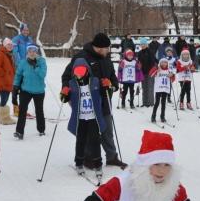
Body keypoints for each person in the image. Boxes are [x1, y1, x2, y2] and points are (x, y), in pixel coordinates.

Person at [62, 32, 127, 169]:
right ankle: (88, 158)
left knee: (107, 130)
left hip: (105, 101)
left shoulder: (106, 58)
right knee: (87, 133)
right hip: (87, 104)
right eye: (107, 48)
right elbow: (67, 76)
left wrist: (112, 85)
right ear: (99, 47)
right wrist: (66, 89)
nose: (108, 50)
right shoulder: (81, 57)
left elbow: (113, 77)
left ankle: (112, 157)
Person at [62, 62, 105, 177]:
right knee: (81, 141)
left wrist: (107, 86)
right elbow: (64, 99)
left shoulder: (95, 81)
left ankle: (98, 164)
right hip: (80, 119)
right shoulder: (72, 84)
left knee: (95, 141)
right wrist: (64, 94)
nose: (79, 74)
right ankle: (79, 163)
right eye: (77, 71)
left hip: (93, 118)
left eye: (82, 71)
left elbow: (105, 93)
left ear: (87, 71)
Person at [13, 44, 47, 139]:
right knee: (22, 111)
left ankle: (41, 130)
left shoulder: (41, 61)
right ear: (27, 52)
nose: (32, 53)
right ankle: (19, 132)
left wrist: (35, 66)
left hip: (39, 91)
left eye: (34, 51)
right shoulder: (23, 62)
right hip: (25, 90)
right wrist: (15, 86)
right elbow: (18, 75)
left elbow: (43, 74)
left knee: (39, 110)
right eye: (30, 51)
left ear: (37, 52)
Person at [11, 23, 34, 115]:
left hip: (28, 67)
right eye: (24, 30)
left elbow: (32, 51)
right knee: (16, 87)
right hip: (18, 67)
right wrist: (20, 64)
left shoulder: (30, 39)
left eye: (27, 30)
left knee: (25, 89)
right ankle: (16, 109)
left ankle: (23, 109)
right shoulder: (16, 39)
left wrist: (33, 61)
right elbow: (15, 52)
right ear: (21, 30)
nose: (26, 32)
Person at [0, 37, 16, 125]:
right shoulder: (1, 53)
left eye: (11, 45)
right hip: (3, 81)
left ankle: (4, 117)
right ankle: (3, 118)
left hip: (8, 81)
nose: (10, 46)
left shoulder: (9, 54)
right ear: (4, 45)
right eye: (8, 45)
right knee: (4, 99)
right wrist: (4, 74)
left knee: (5, 99)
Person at [150, 58, 175, 124]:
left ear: (167, 63)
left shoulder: (169, 70)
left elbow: (173, 79)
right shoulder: (158, 68)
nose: (164, 64)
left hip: (165, 88)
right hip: (158, 88)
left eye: (165, 62)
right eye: (162, 62)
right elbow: (151, 74)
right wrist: (156, 70)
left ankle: (162, 116)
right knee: (157, 103)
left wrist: (172, 75)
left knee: (163, 103)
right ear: (160, 63)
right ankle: (153, 116)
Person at [137, 38, 155, 108]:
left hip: (150, 72)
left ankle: (150, 102)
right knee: (144, 87)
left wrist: (151, 69)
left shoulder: (150, 51)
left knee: (150, 87)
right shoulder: (139, 53)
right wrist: (139, 66)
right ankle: (144, 102)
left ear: (146, 44)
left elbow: (153, 62)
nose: (143, 45)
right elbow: (139, 62)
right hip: (143, 72)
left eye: (144, 44)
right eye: (141, 44)